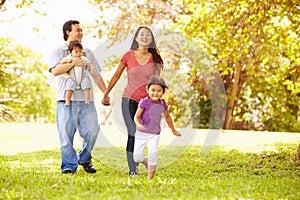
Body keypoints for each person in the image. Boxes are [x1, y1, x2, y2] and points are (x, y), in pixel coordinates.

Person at [48, 20, 109, 174]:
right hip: (65, 101)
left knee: (93, 131)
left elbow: (95, 74)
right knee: (66, 137)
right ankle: (69, 167)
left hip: (86, 101)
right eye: (78, 30)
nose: (81, 33)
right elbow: (55, 71)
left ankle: (84, 158)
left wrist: (106, 92)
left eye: (82, 31)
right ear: (68, 32)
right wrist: (74, 62)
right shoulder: (57, 50)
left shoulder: (87, 51)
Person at [102, 26, 163, 176]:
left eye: (147, 35)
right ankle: (132, 169)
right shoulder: (128, 56)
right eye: (141, 34)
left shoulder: (155, 59)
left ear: (151, 39)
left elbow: (156, 83)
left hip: (147, 103)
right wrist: (106, 93)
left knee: (143, 134)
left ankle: (141, 159)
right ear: (136, 38)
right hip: (129, 99)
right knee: (132, 132)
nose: (144, 37)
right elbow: (116, 75)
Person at [133, 76, 181, 180]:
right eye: (153, 90)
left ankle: (150, 179)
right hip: (141, 133)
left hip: (154, 134)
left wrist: (173, 130)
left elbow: (167, 116)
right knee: (137, 157)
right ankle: (145, 161)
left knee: (153, 155)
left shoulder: (163, 103)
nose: (155, 93)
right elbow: (136, 117)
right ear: (147, 90)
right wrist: (139, 124)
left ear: (163, 92)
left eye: (159, 91)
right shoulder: (144, 102)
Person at [60, 40, 93, 106]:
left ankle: (87, 100)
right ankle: (67, 101)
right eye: (76, 52)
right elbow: (61, 62)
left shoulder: (83, 58)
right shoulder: (69, 57)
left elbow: (89, 64)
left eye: (80, 51)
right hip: (73, 77)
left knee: (87, 86)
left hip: (82, 77)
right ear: (70, 52)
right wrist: (67, 61)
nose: (78, 54)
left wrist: (91, 69)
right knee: (69, 87)